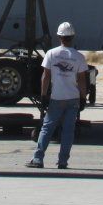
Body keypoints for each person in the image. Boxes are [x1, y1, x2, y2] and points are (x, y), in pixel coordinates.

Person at [27, 22, 90, 170]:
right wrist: (83, 98)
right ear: (72, 37)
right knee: (68, 131)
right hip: (73, 98)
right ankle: (62, 161)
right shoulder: (79, 57)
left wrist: (43, 95)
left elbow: (46, 77)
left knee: (47, 128)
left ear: (59, 37)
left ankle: (38, 159)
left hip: (56, 97)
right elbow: (81, 80)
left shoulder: (51, 54)